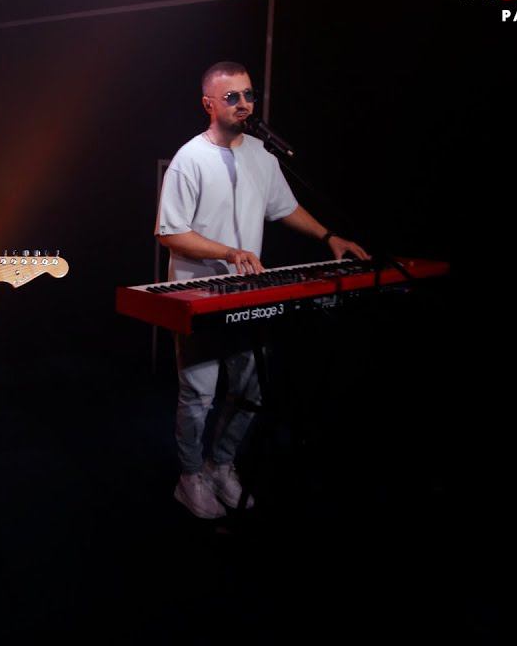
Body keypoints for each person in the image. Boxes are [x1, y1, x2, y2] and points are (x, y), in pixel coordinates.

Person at [155, 60, 368, 519]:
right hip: (200, 294)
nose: (244, 104)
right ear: (208, 104)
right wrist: (230, 252)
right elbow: (170, 232)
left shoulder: (261, 154)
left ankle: (221, 465)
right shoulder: (189, 158)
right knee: (199, 395)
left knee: (251, 386)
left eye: (249, 95)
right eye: (232, 97)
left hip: (250, 292)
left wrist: (329, 236)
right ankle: (189, 477)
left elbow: (284, 207)